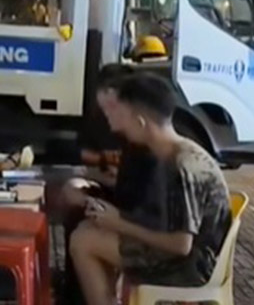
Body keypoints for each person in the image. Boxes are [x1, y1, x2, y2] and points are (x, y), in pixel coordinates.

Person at [69, 73, 232, 305]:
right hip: (186, 254)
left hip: (192, 267)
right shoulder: (174, 153)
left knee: (83, 241)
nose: (119, 125)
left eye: (122, 116)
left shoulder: (182, 167)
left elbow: (181, 245)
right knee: (90, 229)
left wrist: (119, 223)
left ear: (140, 122)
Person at [56, 63, 159, 305]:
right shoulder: (132, 136)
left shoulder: (150, 147)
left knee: (83, 237)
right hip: (132, 213)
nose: (108, 118)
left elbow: (176, 238)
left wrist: (114, 218)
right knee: (76, 209)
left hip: (157, 243)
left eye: (111, 110)